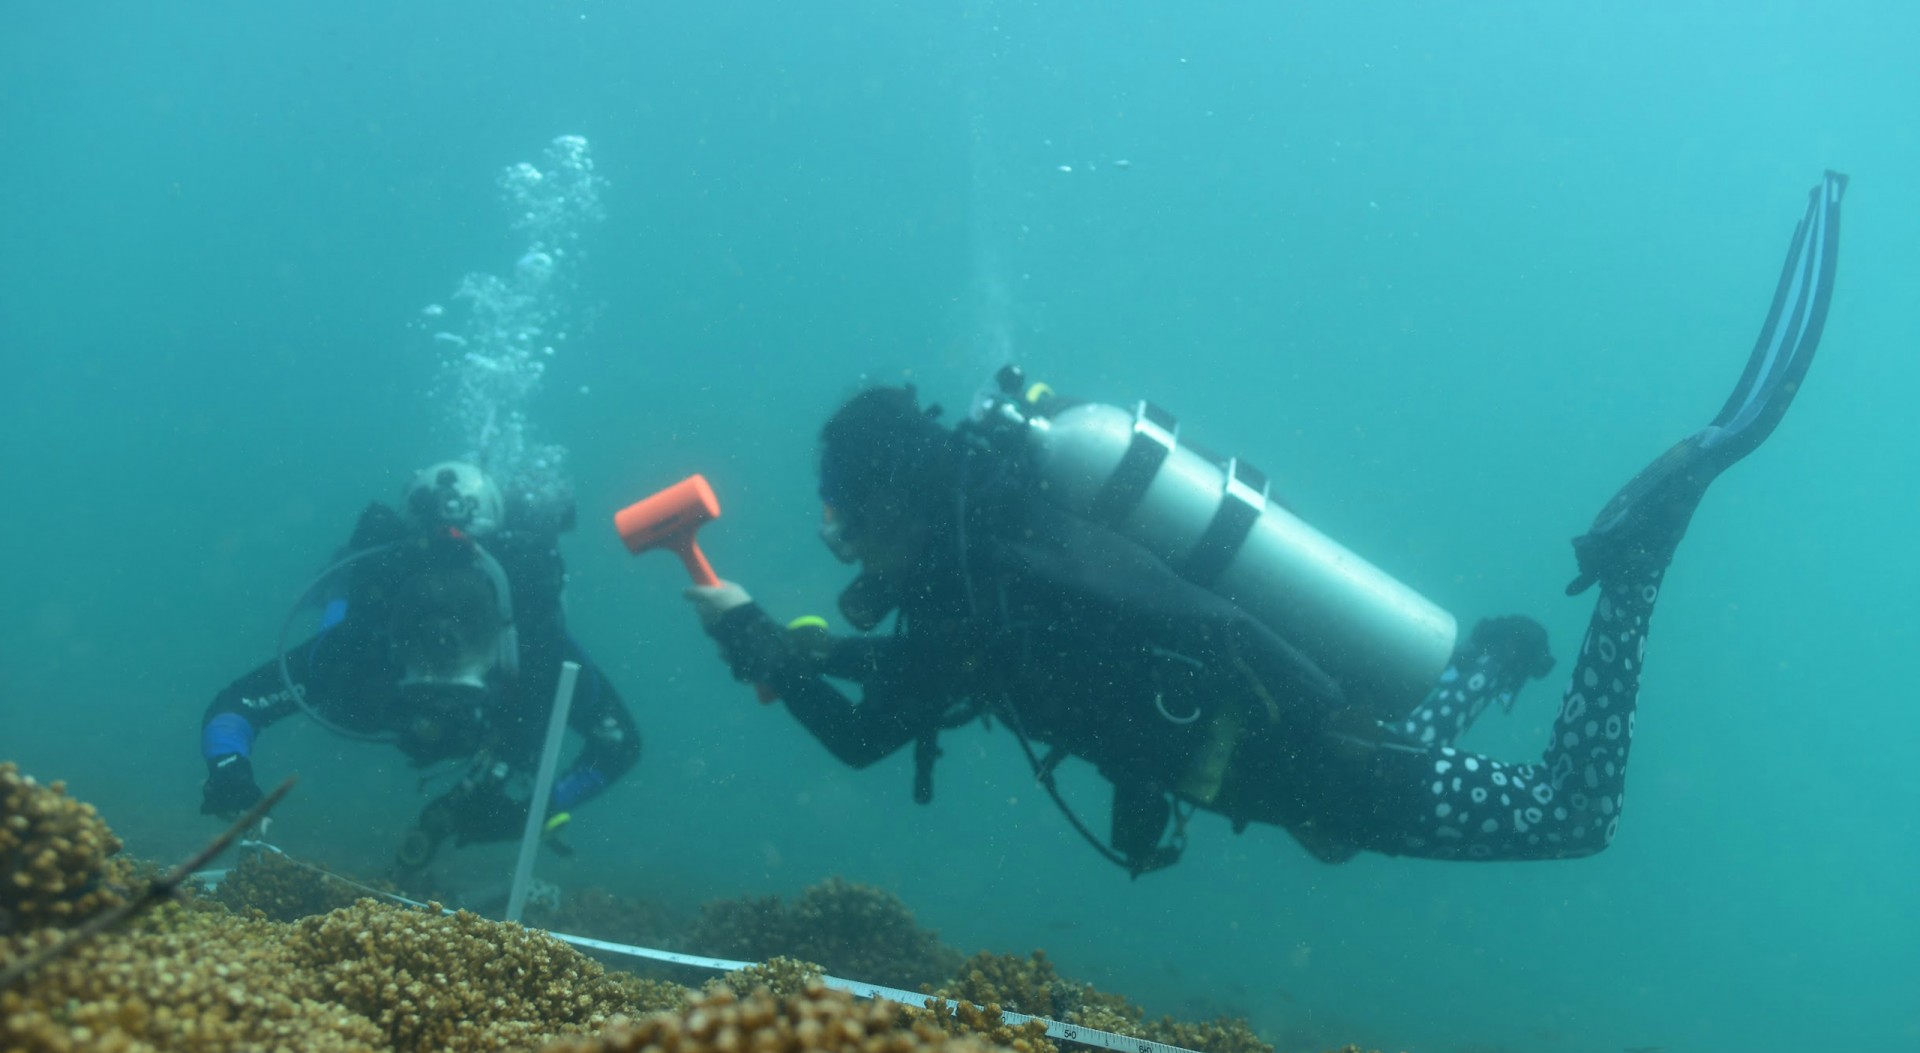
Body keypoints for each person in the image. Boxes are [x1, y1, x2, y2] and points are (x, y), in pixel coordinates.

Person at [684, 172, 1847, 876]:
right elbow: (1112, 632)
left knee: (1573, 813)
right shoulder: (1009, 541)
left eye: (842, 514)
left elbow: (867, 733)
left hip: (1303, 756)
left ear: (889, 496)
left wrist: (750, 637)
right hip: (1284, 748)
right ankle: (1483, 662)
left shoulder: (975, 580)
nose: (839, 541)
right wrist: (814, 647)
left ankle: (1638, 560)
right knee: (1412, 751)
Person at [199, 460, 641, 878]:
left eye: (468, 606)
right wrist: (229, 773)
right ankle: (335, 591)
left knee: (512, 757)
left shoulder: (538, 648)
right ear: (398, 600)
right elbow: (237, 707)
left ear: (504, 606)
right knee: (339, 622)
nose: (444, 628)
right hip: (371, 664)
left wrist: (532, 812)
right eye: (424, 604)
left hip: (496, 738)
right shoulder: (361, 643)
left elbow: (618, 746)